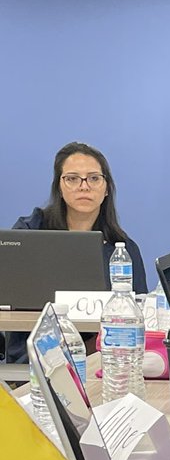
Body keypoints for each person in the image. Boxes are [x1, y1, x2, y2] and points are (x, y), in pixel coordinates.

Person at [4, 141, 146, 362]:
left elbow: (138, 313)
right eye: (72, 178)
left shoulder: (123, 249)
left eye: (94, 178)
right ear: (59, 187)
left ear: (106, 188)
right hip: (33, 355)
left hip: (101, 357)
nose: (84, 186)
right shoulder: (30, 232)